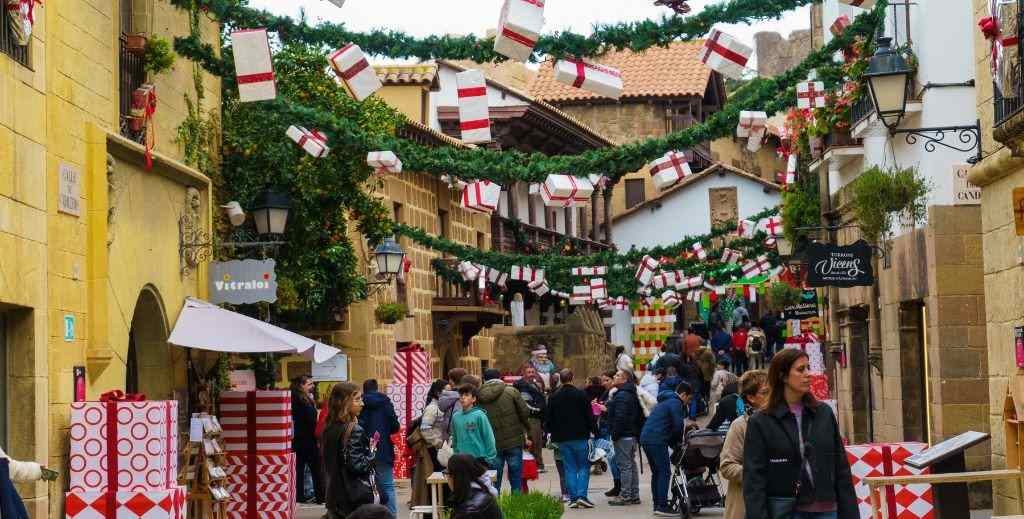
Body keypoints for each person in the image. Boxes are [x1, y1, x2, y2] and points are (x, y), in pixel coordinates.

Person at [743, 348, 858, 519]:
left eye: (808, 367)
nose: (808, 374)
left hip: (827, 509)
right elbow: (754, 479)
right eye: (800, 369)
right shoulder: (761, 421)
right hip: (786, 509)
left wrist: (850, 514)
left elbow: (841, 467)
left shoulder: (824, 413)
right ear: (782, 376)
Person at [719, 370, 769, 519]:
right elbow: (727, 466)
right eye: (765, 392)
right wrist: (759, 474)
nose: (772, 397)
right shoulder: (740, 426)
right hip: (746, 505)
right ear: (751, 397)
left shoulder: (781, 422)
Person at [323, 382, 377, 519]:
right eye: (357, 399)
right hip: (352, 497)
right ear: (344, 402)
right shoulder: (354, 429)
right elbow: (357, 465)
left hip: (333, 496)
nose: (362, 404)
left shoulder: (329, 428)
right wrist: (372, 454)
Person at [640, 381, 693, 517]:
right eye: (689, 398)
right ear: (683, 394)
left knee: (656, 473)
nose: (688, 402)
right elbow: (677, 426)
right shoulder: (676, 403)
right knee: (664, 472)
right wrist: (676, 443)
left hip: (647, 438)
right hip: (657, 439)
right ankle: (662, 506)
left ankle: (657, 504)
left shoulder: (666, 401)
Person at [545, 368, 596, 509]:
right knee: (584, 466)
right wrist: (594, 431)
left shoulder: (554, 397)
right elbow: (589, 415)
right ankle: (582, 496)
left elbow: (548, 419)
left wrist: (550, 433)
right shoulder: (581, 394)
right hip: (580, 436)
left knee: (569, 468)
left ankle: (573, 498)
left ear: (561, 379)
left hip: (562, 438)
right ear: (572, 378)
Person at [477, 368, 532, 494]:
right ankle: (517, 504)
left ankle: (496, 506)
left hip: (492, 443)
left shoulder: (478, 396)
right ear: (500, 378)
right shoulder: (511, 391)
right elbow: (525, 412)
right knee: (516, 476)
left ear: (484, 379)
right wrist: (527, 431)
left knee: (495, 477)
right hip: (514, 440)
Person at [358, 379, 400, 515]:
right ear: (377, 388)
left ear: (364, 390)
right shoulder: (385, 403)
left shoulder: (359, 404)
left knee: (366, 487)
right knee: (388, 486)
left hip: (363, 451)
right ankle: (391, 516)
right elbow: (395, 426)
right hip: (383, 449)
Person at [606, 369, 643, 506]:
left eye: (617, 375)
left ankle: (626, 495)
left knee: (625, 466)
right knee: (630, 465)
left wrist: (615, 434)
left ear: (625, 379)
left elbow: (620, 418)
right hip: (630, 435)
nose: (614, 377)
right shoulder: (629, 393)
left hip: (624, 436)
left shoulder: (622, 395)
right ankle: (633, 494)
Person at [290, 375, 325, 504]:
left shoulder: (301, 398)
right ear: (301, 385)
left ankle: (300, 496)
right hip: (306, 439)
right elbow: (310, 419)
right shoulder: (300, 399)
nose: (313, 386)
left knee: (300, 468)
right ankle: (320, 496)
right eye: (309, 384)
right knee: (315, 468)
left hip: (300, 439)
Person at [450, 384, 497, 466]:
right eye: (461, 395)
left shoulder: (479, 415)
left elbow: (488, 437)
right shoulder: (456, 416)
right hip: (462, 458)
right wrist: (456, 453)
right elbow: (455, 438)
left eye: (467, 395)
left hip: (479, 458)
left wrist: (489, 458)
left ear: (474, 399)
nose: (463, 397)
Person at [446, 454, 503, 519]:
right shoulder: (487, 494)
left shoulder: (465, 512)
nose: (447, 478)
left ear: (456, 477)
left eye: (446, 472)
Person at [513, 367, 548, 473]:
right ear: (524, 373)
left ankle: (538, 464)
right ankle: (536, 465)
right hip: (530, 416)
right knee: (532, 441)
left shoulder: (535, 384)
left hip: (536, 417)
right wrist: (538, 409)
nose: (531, 374)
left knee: (537, 441)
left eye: (533, 372)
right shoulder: (521, 385)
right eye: (529, 372)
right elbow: (524, 402)